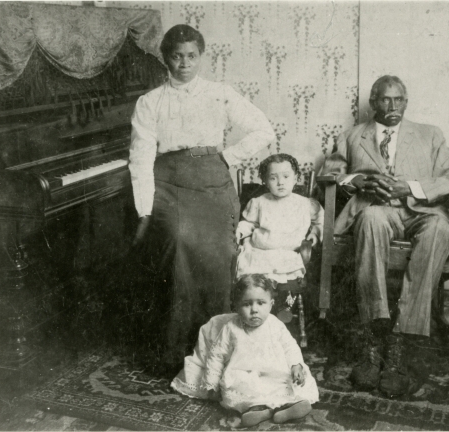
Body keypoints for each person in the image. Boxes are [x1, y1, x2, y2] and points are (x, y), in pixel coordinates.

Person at [128, 24, 275, 373]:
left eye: (191, 56)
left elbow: (263, 129)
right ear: (165, 58)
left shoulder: (219, 93)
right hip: (169, 182)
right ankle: (176, 350)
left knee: (221, 252)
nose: (184, 64)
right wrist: (144, 210)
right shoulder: (149, 102)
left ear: (201, 56)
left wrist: (228, 158)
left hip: (212, 179)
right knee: (179, 242)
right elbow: (141, 158)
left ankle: (221, 349)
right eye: (176, 56)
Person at [320, 75, 449, 397]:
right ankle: (374, 336)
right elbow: (329, 173)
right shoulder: (352, 136)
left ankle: (403, 339)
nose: (392, 107)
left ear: (406, 101)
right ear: (373, 103)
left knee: (440, 228)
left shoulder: (430, 136)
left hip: (423, 212)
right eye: (385, 100)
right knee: (371, 219)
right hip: (377, 208)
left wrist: (413, 188)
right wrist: (356, 180)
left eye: (398, 99)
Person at [171, 274, 319, 427]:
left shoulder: (275, 324)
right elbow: (216, 355)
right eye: (247, 304)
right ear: (236, 306)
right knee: (243, 391)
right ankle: (260, 411)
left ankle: (288, 409)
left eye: (261, 303)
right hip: (244, 374)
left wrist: (296, 365)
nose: (254, 309)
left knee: (288, 386)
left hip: (274, 372)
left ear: (271, 304)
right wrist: (212, 383)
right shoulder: (231, 328)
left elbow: (290, 346)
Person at [235, 154, 324, 284]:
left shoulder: (305, 204)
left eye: (286, 176)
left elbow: (320, 220)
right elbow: (248, 223)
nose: (280, 182)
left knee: (285, 266)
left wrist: (314, 233)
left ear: (296, 178)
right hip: (259, 251)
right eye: (273, 178)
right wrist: (240, 231)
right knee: (252, 275)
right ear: (265, 181)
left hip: (289, 252)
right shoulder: (259, 202)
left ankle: (282, 298)